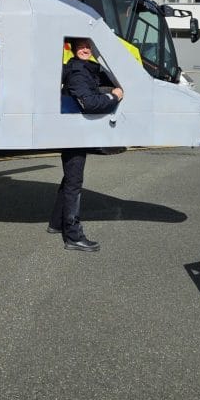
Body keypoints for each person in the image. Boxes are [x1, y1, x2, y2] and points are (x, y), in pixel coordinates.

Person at [49, 37, 123, 252]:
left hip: (74, 132)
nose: (85, 49)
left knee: (69, 178)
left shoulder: (86, 68)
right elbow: (89, 103)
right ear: (73, 49)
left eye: (88, 46)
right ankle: (73, 236)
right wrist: (113, 96)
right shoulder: (79, 72)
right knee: (74, 182)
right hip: (74, 134)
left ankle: (56, 223)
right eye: (81, 46)